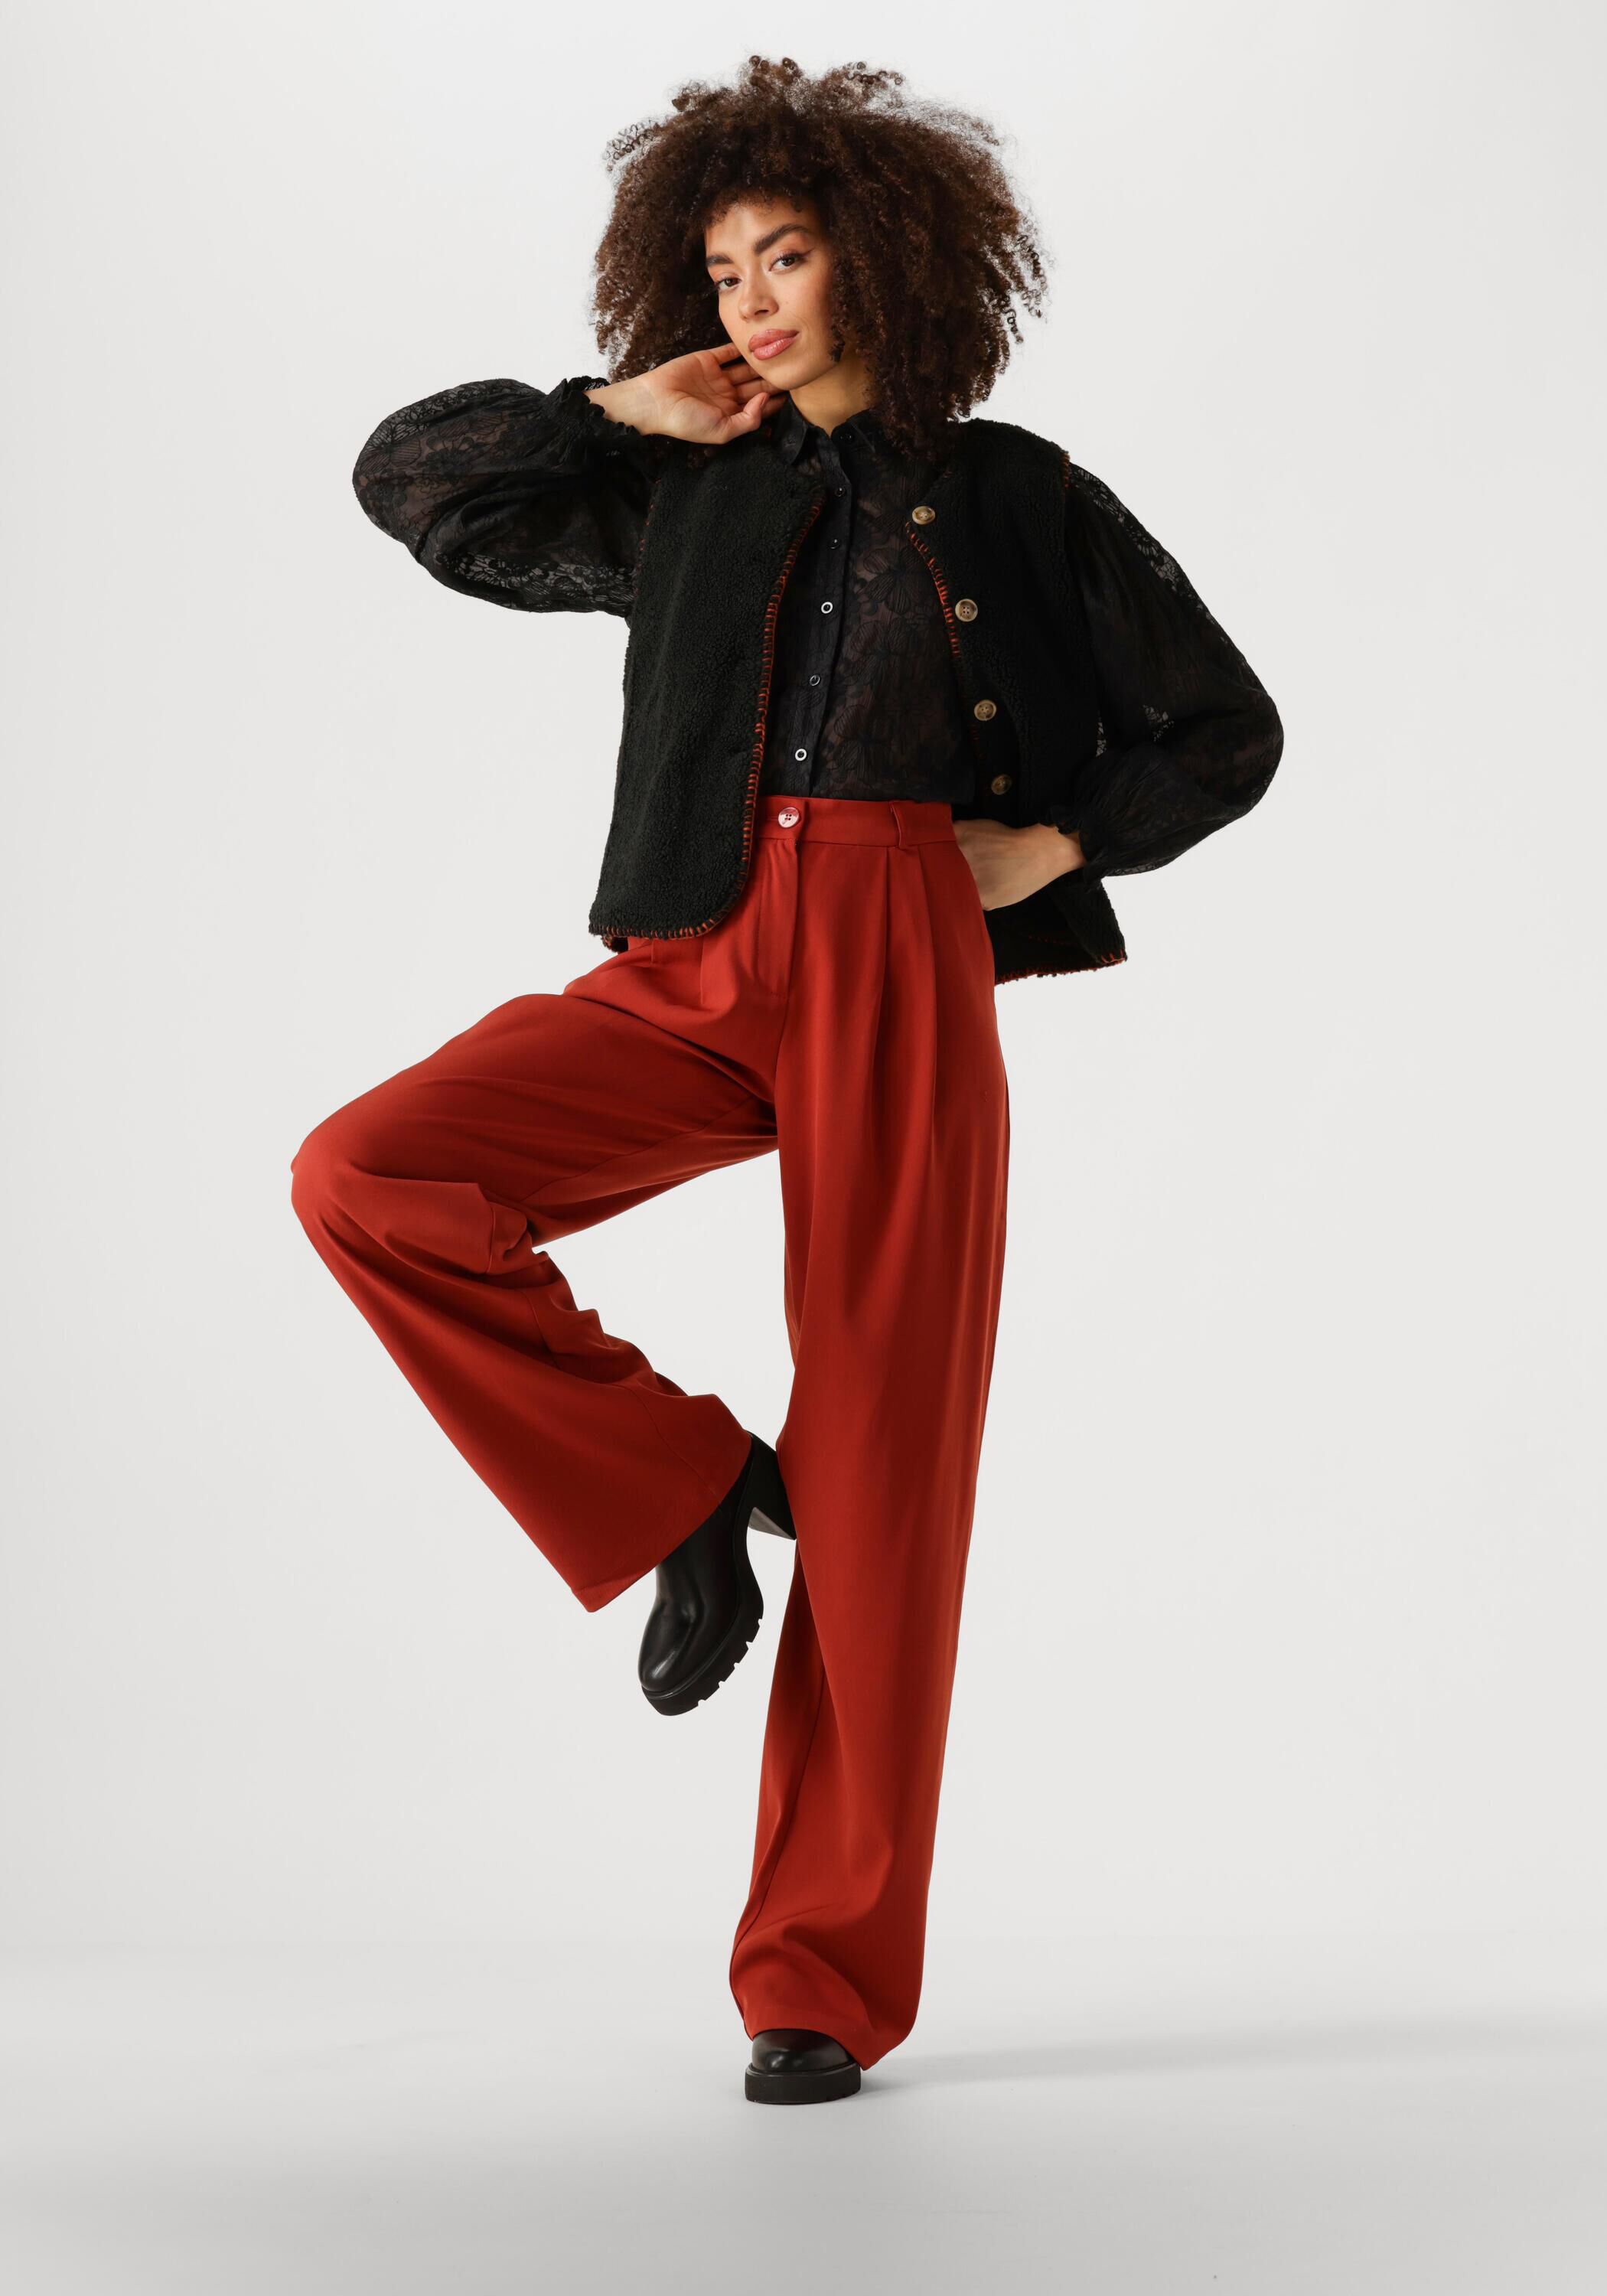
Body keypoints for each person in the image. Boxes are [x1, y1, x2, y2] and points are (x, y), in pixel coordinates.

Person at [290, 55, 1284, 2106]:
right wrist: (610, 411)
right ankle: (684, 1490)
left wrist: (1053, 843)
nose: (748, 300)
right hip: (700, 943)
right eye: (722, 267)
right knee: (369, 1175)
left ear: (885, 261)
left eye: (788, 257)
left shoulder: (1017, 492)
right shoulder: (681, 484)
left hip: (904, 952)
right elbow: (413, 483)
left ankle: (817, 1978)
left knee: (887, 1472)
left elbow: (1223, 728)